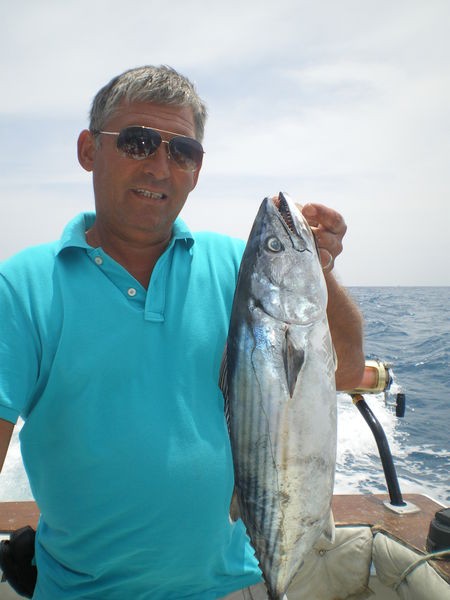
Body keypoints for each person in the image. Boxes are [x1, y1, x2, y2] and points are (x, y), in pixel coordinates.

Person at [0, 65, 364, 599]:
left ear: (197, 169)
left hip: (240, 583)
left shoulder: (239, 269)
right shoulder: (21, 287)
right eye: (138, 141)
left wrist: (318, 269)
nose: (159, 167)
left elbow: (347, 370)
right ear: (88, 150)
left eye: (182, 151)